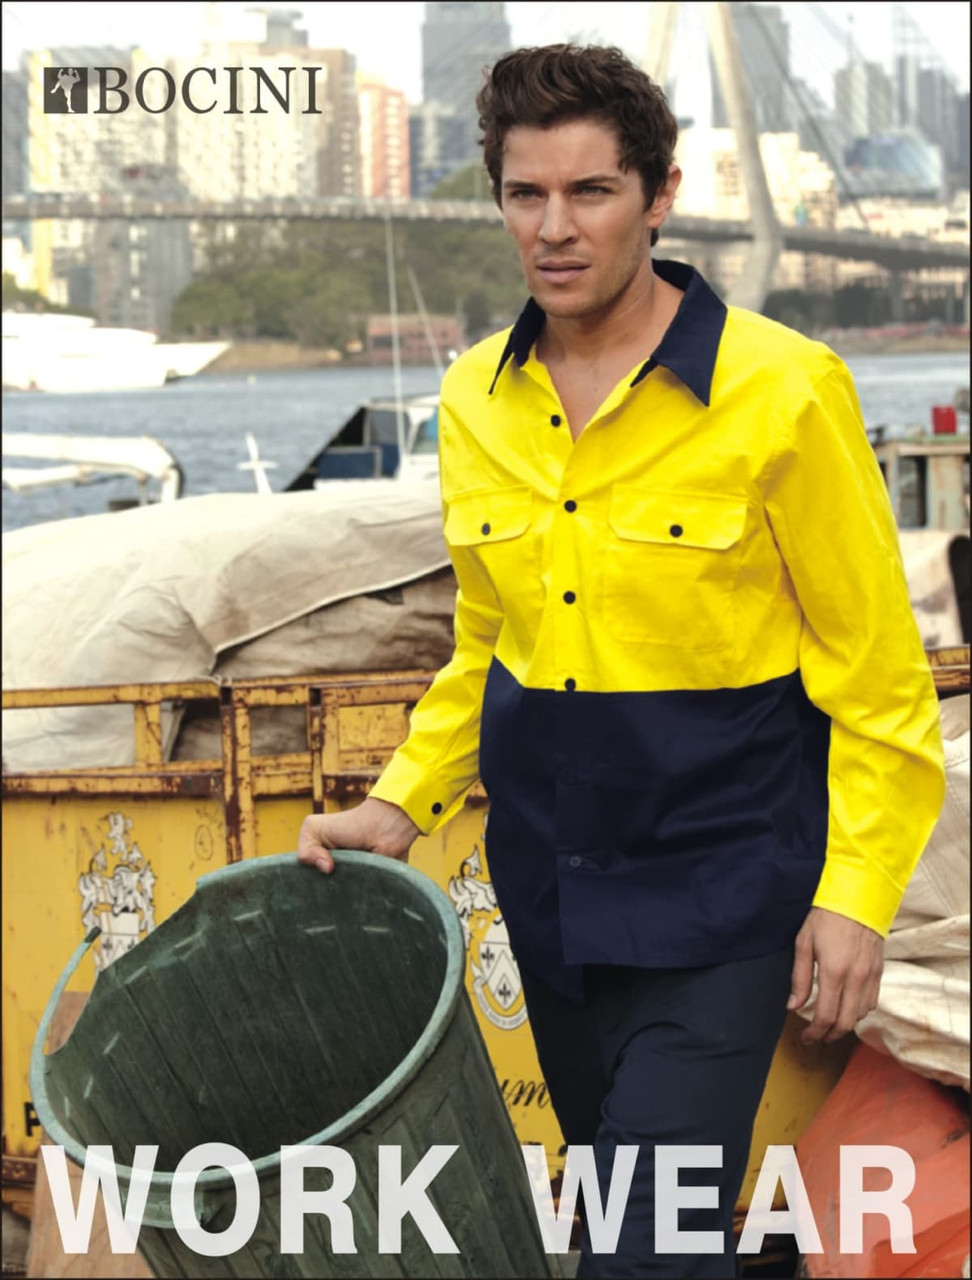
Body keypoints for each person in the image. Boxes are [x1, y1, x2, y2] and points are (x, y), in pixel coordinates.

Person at [298, 44, 945, 1278]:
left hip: (726, 888)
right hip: (550, 891)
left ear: (659, 195)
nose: (553, 227)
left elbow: (878, 677)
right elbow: (490, 640)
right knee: (630, 1218)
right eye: (524, 194)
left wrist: (855, 897)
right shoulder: (474, 400)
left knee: (646, 1246)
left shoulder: (785, 390)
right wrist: (399, 802)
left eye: (590, 191)